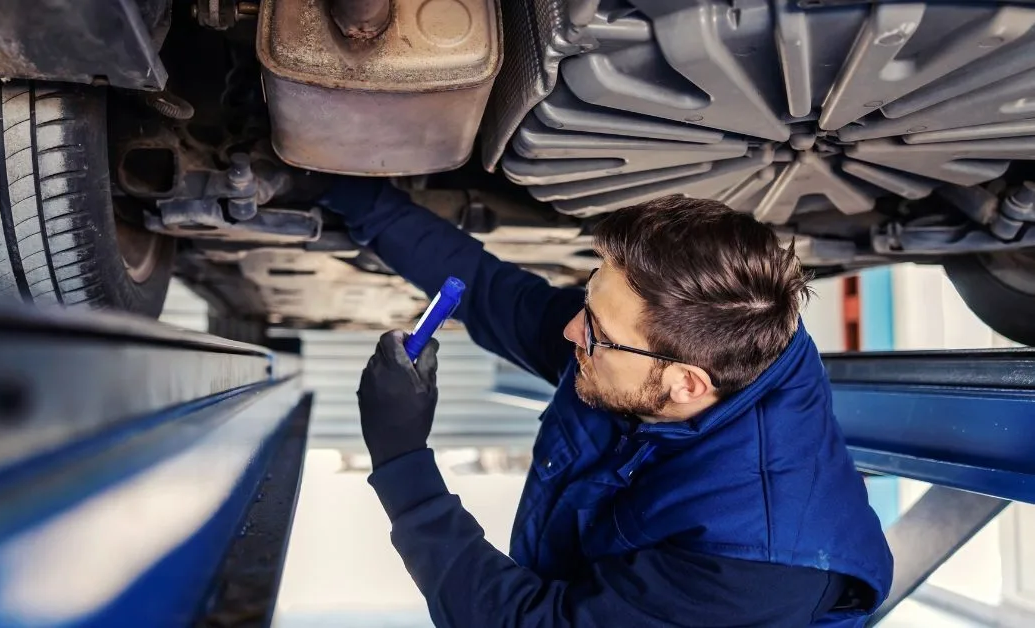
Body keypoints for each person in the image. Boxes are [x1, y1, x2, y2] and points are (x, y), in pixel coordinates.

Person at [321, 179, 894, 627]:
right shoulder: (687, 339)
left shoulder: (751, 569)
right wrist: (354, 196)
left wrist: (400, 457)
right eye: (589, 298)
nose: (571, 332)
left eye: (594, 329)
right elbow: (496, 294)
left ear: (686, 384)